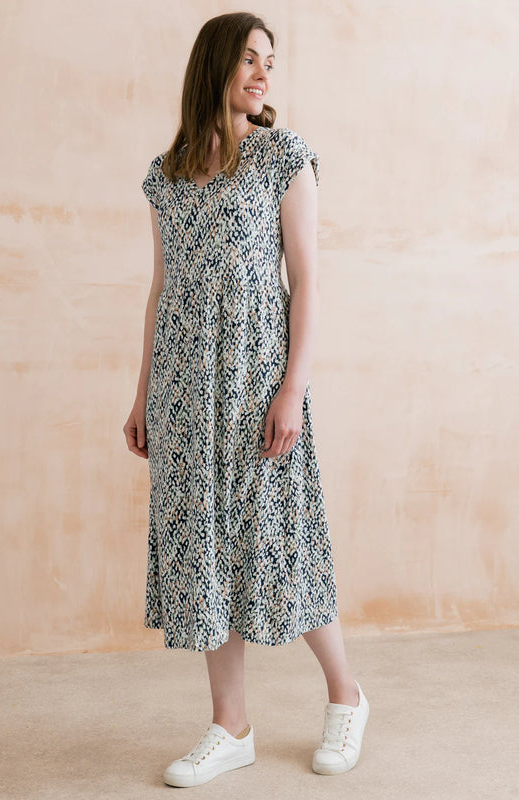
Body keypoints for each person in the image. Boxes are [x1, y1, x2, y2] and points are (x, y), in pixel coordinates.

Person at [123, 11, 369, 788]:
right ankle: (230, 726)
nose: (263, 73)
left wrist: (292, 388)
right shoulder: (164, 175)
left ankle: (347, 697)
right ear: (214, 68)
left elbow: (308, 283)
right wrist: (141, 397)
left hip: (257, 386)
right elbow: (161, 291)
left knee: (278, 546)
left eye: (271, 60)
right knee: (201, 556)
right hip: (182, 392)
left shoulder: (281, 158)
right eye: (248, 60)